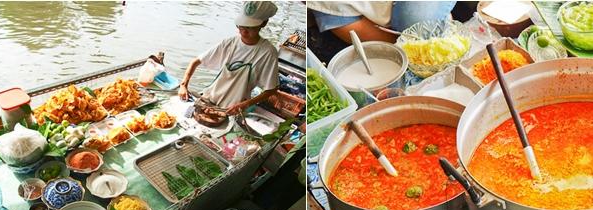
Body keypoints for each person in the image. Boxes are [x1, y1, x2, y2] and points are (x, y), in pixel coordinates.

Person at [178, 1, 280, 116]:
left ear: (264, 23)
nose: (243, 31)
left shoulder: (268, 52)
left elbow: (271, 89)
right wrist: (183, 85)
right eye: (241, 26)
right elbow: (195, 62)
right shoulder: (229, 43)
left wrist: (246, 104)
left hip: (234, 109)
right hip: (209, 99)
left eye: (250, 27)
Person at [308, 1, 457, 44]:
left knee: (420, 17)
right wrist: (407, 43)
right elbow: (349, 27)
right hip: (388, 32)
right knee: (417, 23)